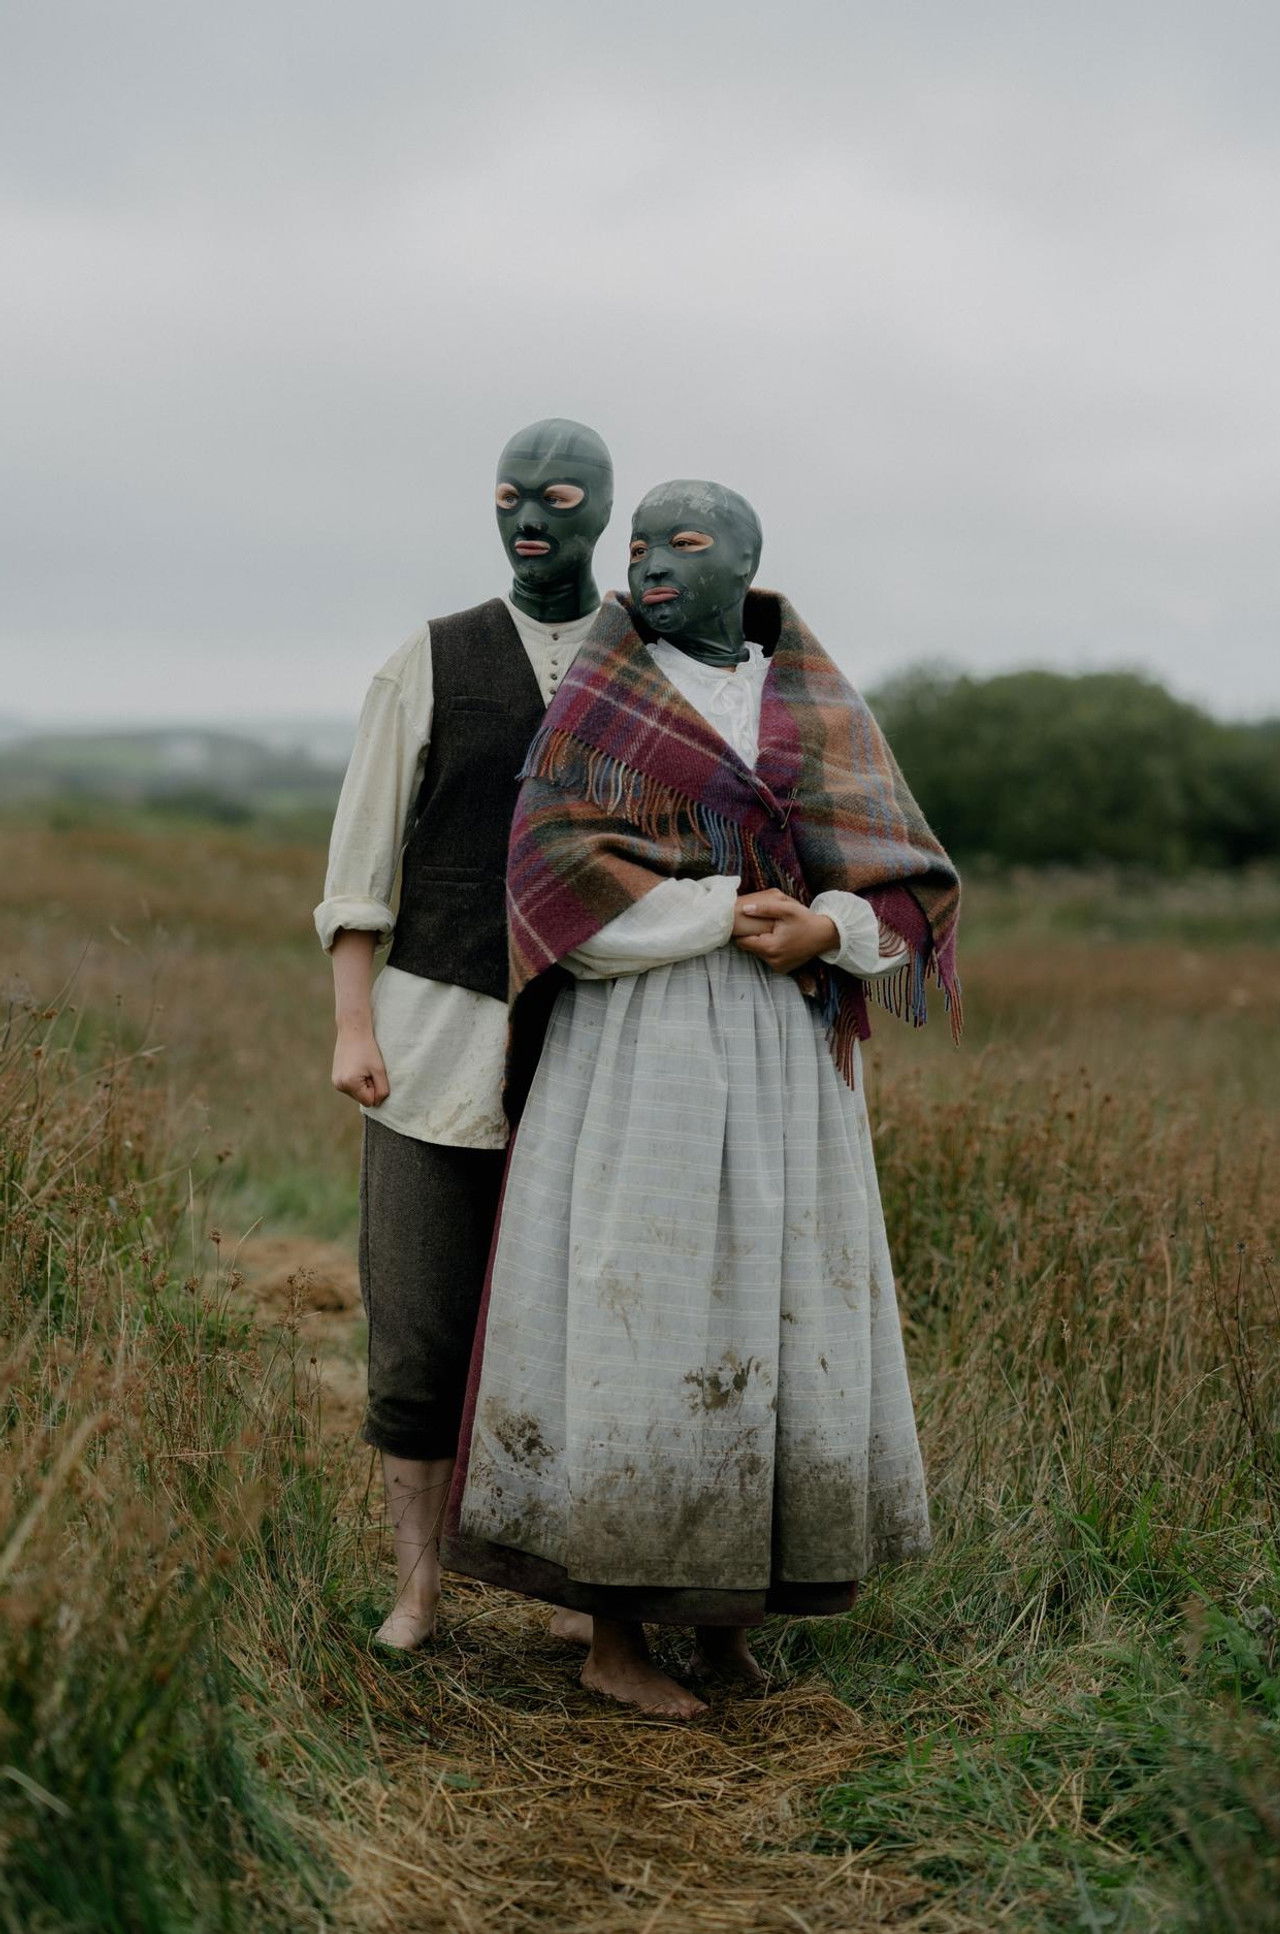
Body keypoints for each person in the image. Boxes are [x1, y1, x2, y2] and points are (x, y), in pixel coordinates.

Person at [443, 479, 961, 1716]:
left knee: (776, 1315)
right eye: (638, 545)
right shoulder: (601, 702)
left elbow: (903, 879)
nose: (651, 563)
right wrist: (725, 912)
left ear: (745, 562)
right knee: (645, 1307)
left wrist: (822, 929)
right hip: (644, 1049)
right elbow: (553, 881)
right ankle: (613, 1636)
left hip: (787, 1062)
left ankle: (732, 1633)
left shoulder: (814, 701)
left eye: (684, 542)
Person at [315, 418, 613, 1648]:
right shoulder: (426, 659)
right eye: (508, 498)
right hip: (433, 1038)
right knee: (420, 1319)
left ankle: (580, 1600)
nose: (529, 520)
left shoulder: (641, 659)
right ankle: (418, 1590)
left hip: (605, 1047)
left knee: (579, 1328)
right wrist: (350, 1024)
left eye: (555, 498)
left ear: (601, 511)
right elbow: (361, 861)